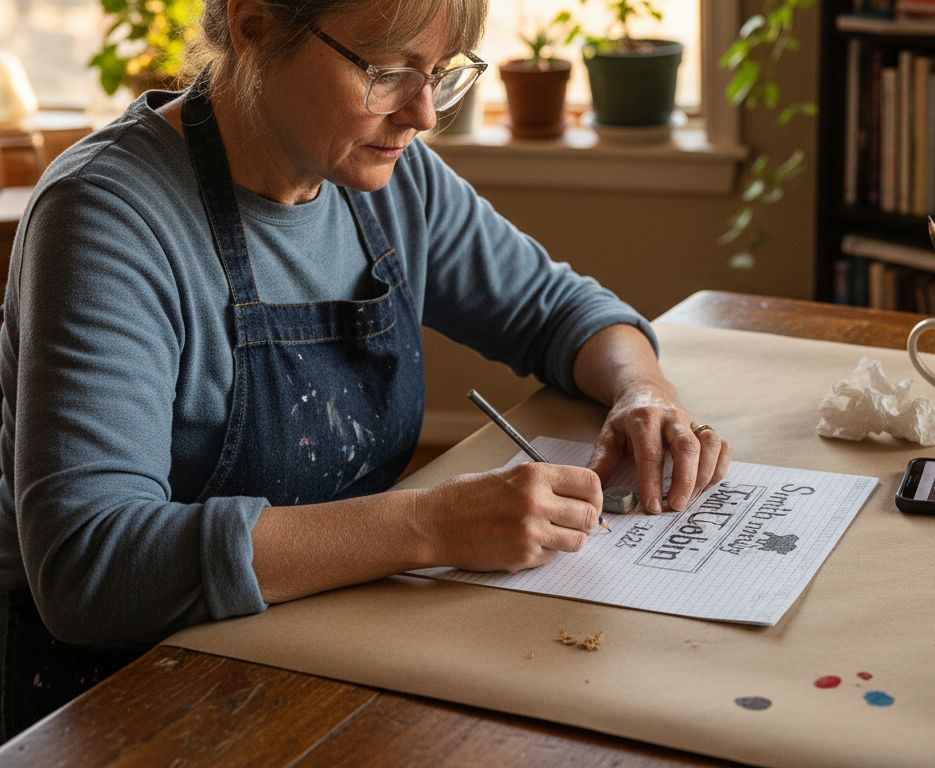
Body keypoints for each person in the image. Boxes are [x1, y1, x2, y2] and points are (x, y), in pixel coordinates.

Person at [0, 0, 731, 739]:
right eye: (387, 73)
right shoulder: (107, 216)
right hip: (132, 698)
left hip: (329, 648)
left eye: (440, 75)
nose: (422, 115)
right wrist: (428, 522)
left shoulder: (388, 183)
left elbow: (562, 310)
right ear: (254, 25)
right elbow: (90, 566)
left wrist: (644, 391)